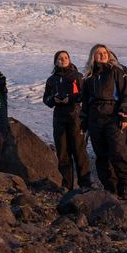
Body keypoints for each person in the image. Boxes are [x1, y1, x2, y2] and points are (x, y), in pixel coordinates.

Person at [79, 44, 127, 198]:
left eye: (105, 52)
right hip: (95, 117)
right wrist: (83, 121)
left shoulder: (116, 71)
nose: (102, 55)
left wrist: (125, 113)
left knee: (118, 150)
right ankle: (110, 187)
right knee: (101, 154)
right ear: (93, 57)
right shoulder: (89, 78)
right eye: (99, 53)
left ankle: (126, 184)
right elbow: (85, 102)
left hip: (112, 114)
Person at [43, 50, 91, 190]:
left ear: (69, 59)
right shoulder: (51, 80)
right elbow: (46, 99)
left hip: (75, 116)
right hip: (59, 118)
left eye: (65, 57)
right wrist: (54, 100)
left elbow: (84, 95)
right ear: (55, 61)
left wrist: (70, 99)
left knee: (79, 151)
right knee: (62, 152)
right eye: (60, 58)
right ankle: (67, 185)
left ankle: (85, 184)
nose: (63, 60)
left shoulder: (77, 76)